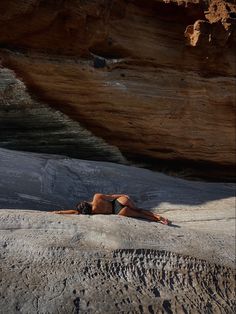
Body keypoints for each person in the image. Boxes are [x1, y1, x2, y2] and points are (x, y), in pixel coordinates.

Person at [52, 193, 171, 225]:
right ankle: (158, 216)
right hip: (119, 201)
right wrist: (124, 196)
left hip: (118, 211)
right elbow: (112, 196)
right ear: (85, 202)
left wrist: (58, 212)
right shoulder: (96, 197)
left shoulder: (92, 213)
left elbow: (75, 212)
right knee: (139, 210)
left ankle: (158, 220)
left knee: (141, 216)